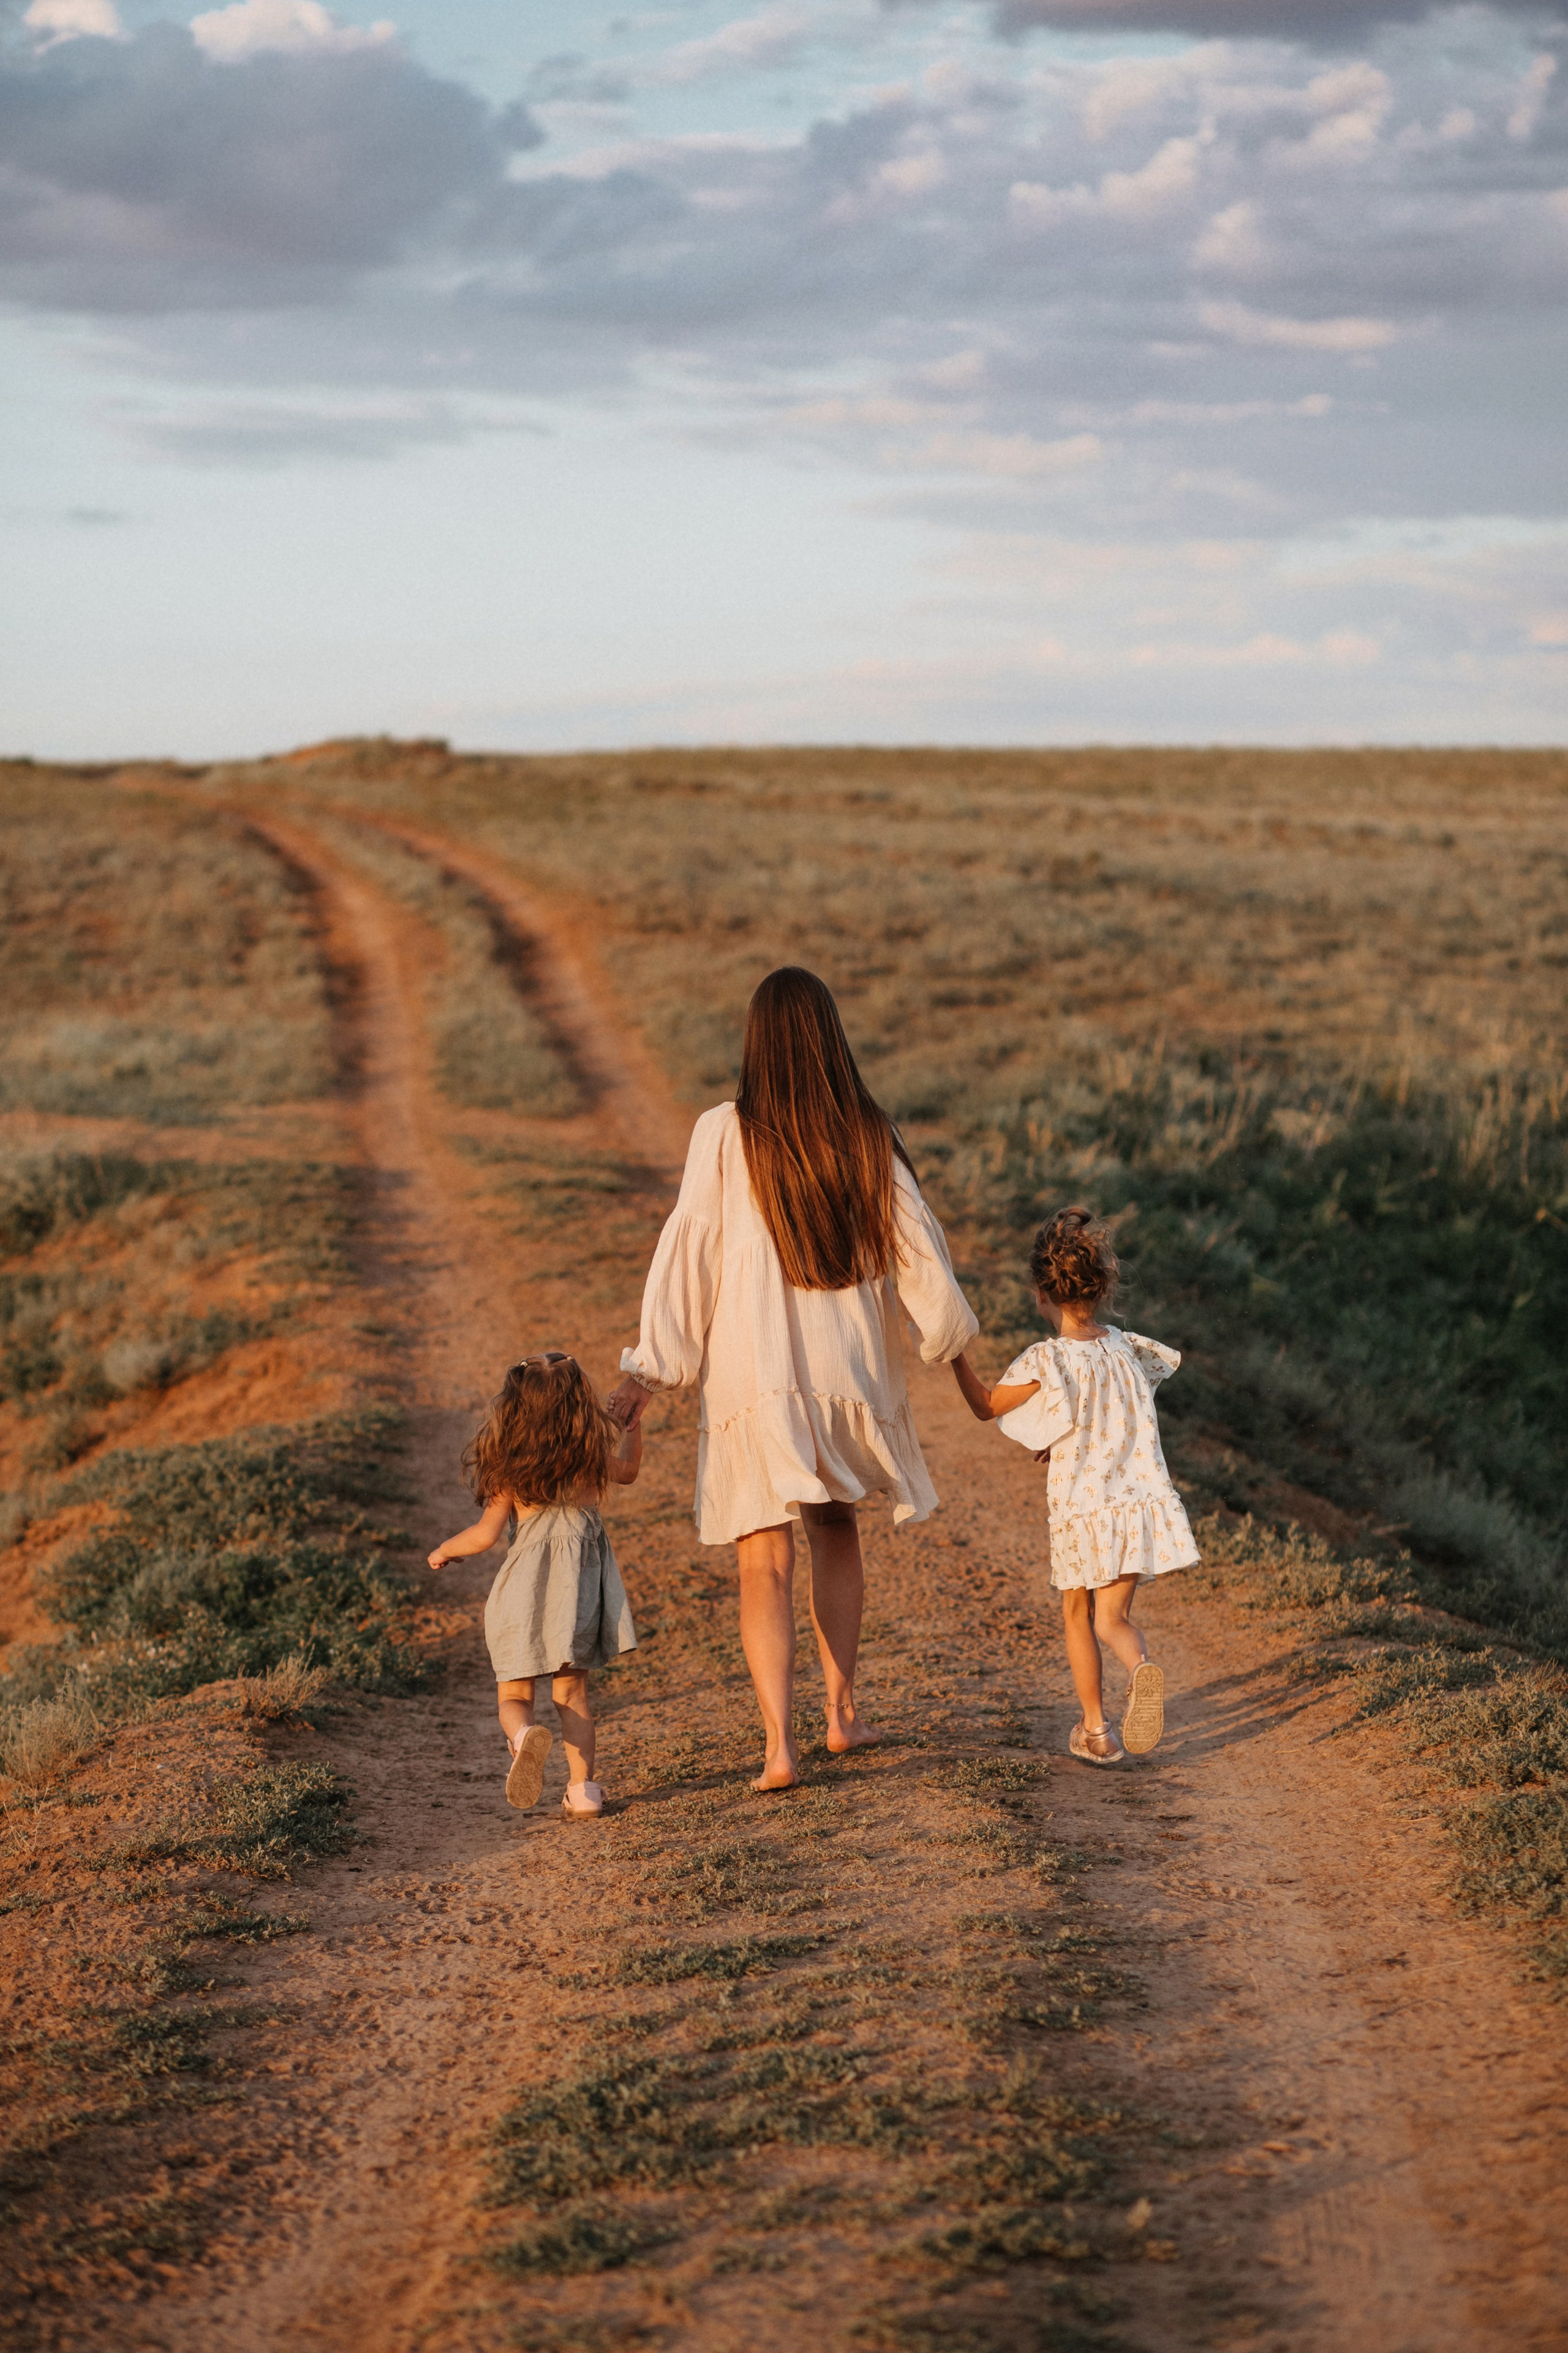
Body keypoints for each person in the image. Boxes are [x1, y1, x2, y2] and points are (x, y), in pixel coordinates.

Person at [608, 966, 978, 1793]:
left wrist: (649, 1371)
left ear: (756, 1045)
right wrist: (954, 1347)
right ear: (829, 1040)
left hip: (754, 1373)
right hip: (845, 1375)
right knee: (835, 1526)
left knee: (761, 1557)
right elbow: (921, 1251)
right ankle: (842, 1712)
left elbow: (691, 1251)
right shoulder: (865, 1132)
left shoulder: (722, 1132)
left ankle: (781, 1745)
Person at [950, 1206, 1196, 1765]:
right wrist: (1062, 1433)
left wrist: (954, 1357)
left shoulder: (1048, 1358)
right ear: (1102, 1285)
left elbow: (986, 1406)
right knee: (1114, 1620)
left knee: (1076, 1616)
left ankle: (1097, 1731)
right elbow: (1115, 1413)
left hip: (1082, 1513)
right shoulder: (1127, 1347)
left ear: (1042, 1291)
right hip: (1135, 1506)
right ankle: (1140, 1668)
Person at [428, 1350, 641, 1819]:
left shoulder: (511, 1469)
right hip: (576, 1598)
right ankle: (583, 1791)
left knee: (514, 1696)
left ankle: (524, 1737)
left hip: (521, 1595)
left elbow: (484, 1535)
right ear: (578, 1406)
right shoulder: (589, 1461)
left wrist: (445, 1549)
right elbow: (629, 1470)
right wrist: (632, 1427)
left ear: (515, 1411)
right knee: (572, 1697)